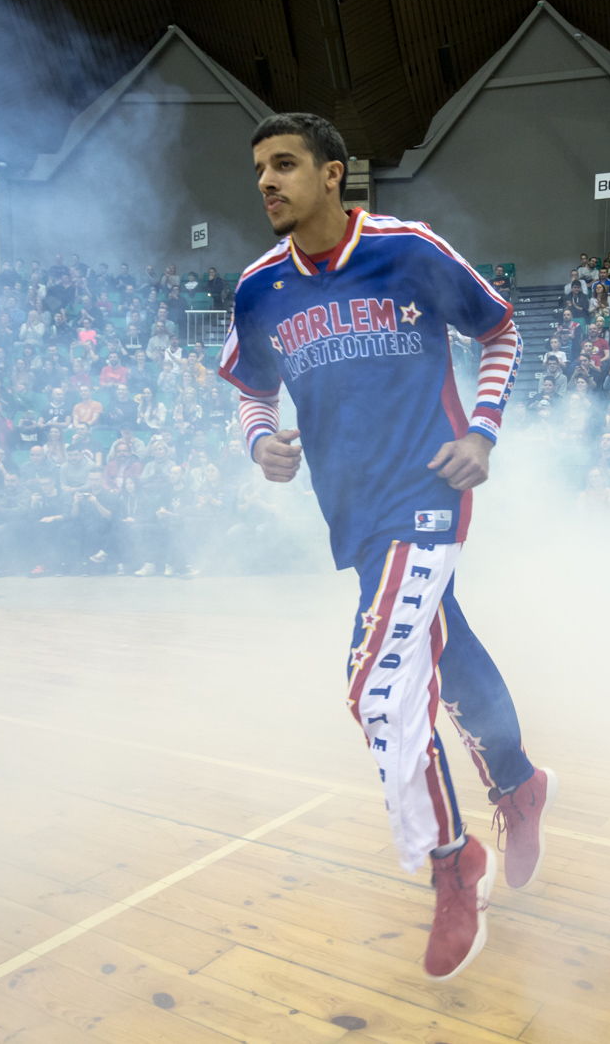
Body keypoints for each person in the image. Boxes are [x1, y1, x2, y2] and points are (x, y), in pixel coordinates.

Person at [223, 112, 553, 981]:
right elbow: (253, 391)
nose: (267, 181)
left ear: (333, 173)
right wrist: (260, 442)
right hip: (354, 515)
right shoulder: (259, 288)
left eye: (285, 164)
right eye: (259, 169)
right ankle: (518, 782)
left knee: (377, 686)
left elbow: (501, 330)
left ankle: (454, 859)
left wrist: (483, 431)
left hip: (426, 493)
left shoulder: (408, 249)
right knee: (449, 655)